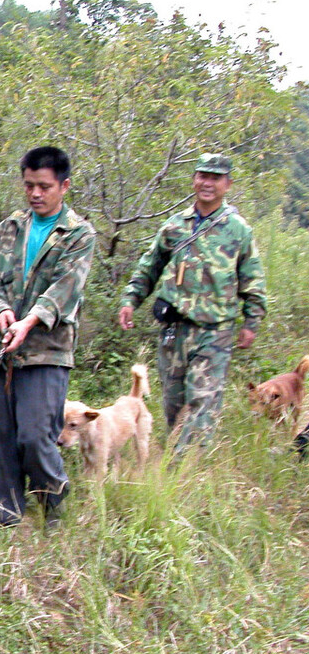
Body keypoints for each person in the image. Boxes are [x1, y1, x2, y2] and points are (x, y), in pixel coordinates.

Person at [0, 146, 95, 528]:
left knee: (34, 437)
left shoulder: (78, 234)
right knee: (0, 437)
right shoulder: (11, 226)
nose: (35, 194)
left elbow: (66, 288)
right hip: (5, 349)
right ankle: (3, 515)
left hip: (47, 352)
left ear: (64, 186)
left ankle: (54, 503)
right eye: (29, 185)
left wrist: (29, 321)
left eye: (44, 186)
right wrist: (0, 312)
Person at [118, 153, 266, 449]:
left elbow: (253, 279)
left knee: (203, 399)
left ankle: (190, 468)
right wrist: (130, 299)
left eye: (215, 178)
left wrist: (251, 321)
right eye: (202, 176)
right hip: (174, 330)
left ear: (227, 184)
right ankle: (177, 455)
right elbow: (150, 266)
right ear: (194, 179)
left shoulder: (238, 229)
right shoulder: (175, 226)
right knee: (174, 401)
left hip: (215, 331)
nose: (207, 183)